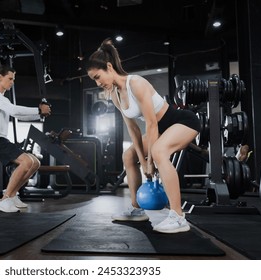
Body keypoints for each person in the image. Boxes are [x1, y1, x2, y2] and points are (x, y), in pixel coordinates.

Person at [86, 39, 201, 233]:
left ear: (109, 66)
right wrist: (142, 160)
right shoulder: (114, 95)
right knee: (128, 156)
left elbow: (151, 123)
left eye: (98, 77)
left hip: (181, 122)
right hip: (158, 128)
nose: (98, 83)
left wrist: (150, 163)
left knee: (158, 151)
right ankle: (137, 209)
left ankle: (178, 216)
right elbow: (133, 129)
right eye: (94, 81)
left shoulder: (136, 83)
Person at [0, 64, 51, 213]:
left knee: (35, 163)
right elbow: (14, 110)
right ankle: (4, 199)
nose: (12, 82)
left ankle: (12, 194)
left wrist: (39, 115)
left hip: (0, 139)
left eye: (13, 79)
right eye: (10, 79)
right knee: (27, 162)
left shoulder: (2, 99)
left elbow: (16, 114)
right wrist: (38, 109)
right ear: (0, 77)